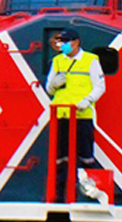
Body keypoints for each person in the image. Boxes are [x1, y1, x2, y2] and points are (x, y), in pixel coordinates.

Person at [44, 28, 105, 202]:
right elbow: (49, 88)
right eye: (60, 42)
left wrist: (87, 101)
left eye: (65, 41)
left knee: (85, 154)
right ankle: (59, 193)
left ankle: (87, 190)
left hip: (82, 114)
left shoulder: (91, 60)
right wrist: (54, 84)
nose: (62, 45)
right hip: (61, 114)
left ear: (76, 42)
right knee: (60, 155)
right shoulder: (57, 61)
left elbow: (100, 86)